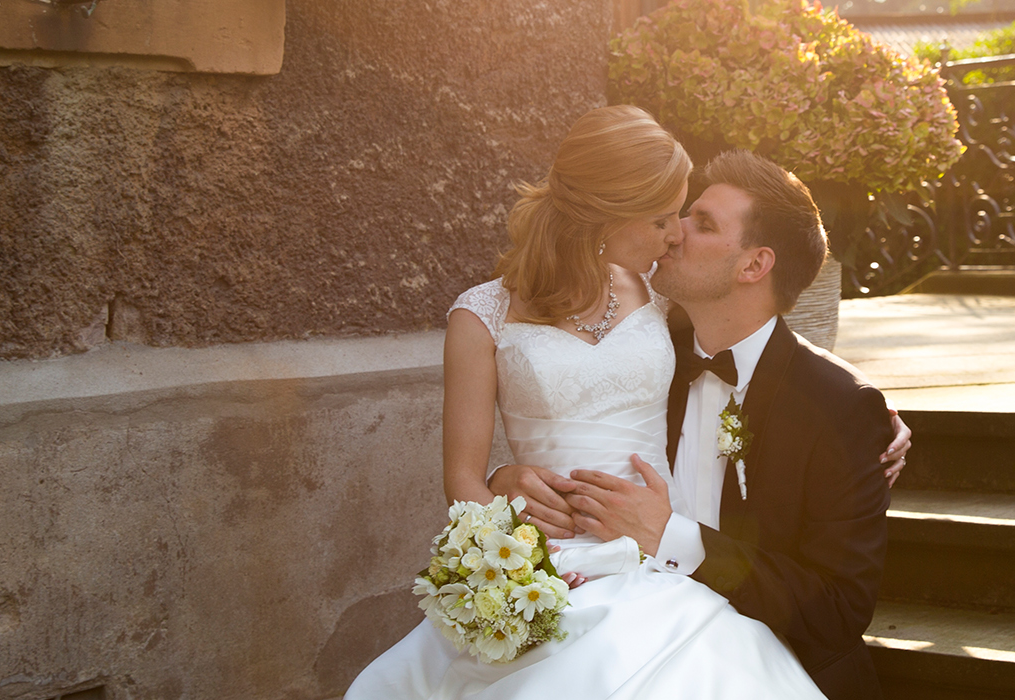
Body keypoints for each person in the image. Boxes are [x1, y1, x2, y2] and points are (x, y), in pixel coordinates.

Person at [345, 107, 907, 700]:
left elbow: (764, 344)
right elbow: (471, 471)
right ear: (608, 215)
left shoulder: (665, 314)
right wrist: (503, 503)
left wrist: (872, 407)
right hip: (548, 563)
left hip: (683, 592)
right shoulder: (539, 317)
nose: (677, 234)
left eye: (695, 220)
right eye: (669, 217)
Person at [492, 150, 897, 700]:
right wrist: (504, 479)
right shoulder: (648, 357)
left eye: (701, 224)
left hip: (773, 668)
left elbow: (838, 610)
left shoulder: (838, 409)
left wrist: (671, 537)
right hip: (620, 642)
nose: (673, 232)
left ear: (754, 266)